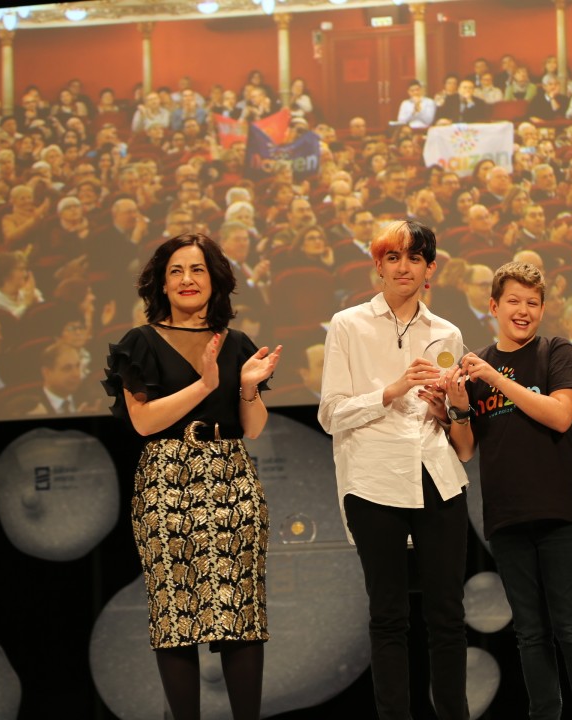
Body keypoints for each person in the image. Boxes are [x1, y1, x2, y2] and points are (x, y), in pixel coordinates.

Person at [101, 232, 282, 720]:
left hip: (232, 478)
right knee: (175, 613)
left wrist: (247, 389)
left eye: (197, 269)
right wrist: (205, 384)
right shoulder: (138, 343)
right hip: (167, 481)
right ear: (161, 283)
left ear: (214, 280)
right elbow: (143, 422)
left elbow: (253, 428)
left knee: (241, 611)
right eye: (176, 271)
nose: (187, 279)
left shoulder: (236, 343)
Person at [440, 261, 572, 720]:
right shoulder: (475, 365)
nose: (523, 310)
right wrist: (459, 408)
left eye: (532, 303)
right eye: (513, 301)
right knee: (530, 632)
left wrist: (496, 378)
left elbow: (560, 416)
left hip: (559, 511)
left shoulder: (557, 351)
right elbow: (465, 450)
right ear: (493, 306)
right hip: (506, 516)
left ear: (542, 309)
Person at [318, 220, 471, 720]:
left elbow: (454, 424)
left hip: (438, 476)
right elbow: (330, 414)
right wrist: (393, 389)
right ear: (378, 266)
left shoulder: (447, 332)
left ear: (430, 269)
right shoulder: (348, 324)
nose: (404, 267)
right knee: (388, 615)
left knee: (447, 615)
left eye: (415, 258)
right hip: (373, 478)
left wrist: (447, 408)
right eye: (393, 257)